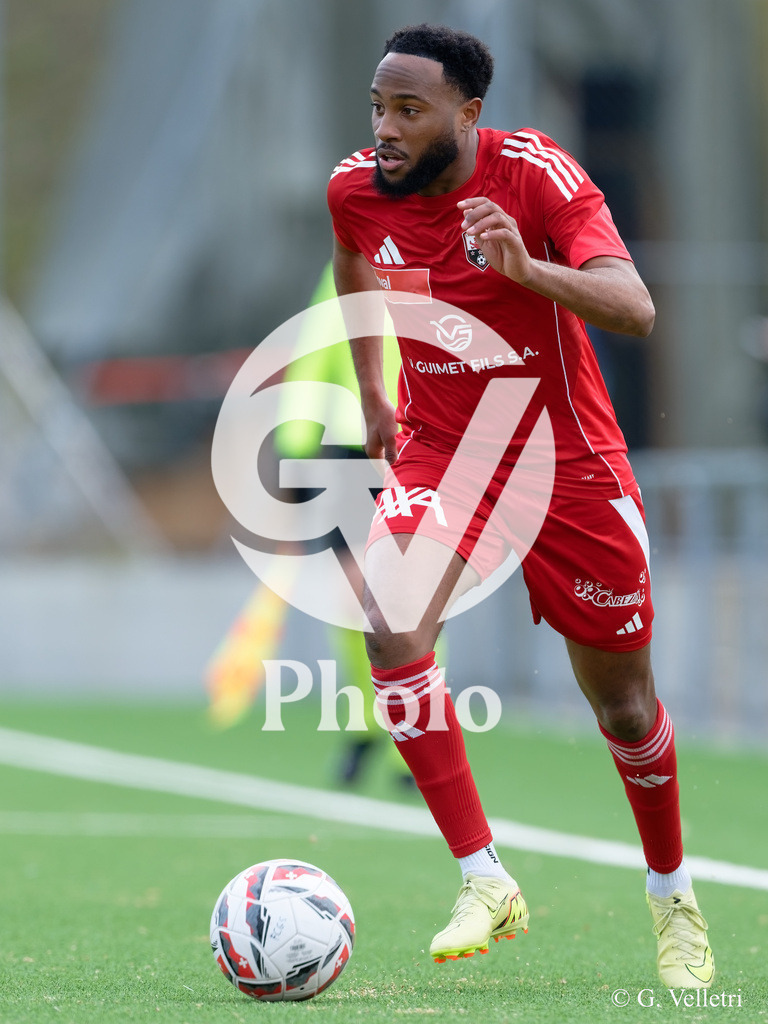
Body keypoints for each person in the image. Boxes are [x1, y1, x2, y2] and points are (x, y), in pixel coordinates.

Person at [326, 23, 714, 988]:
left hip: (565, 464)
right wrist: (374, 387)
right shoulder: (354, 188)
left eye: (409, 110)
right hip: (443, 453)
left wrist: (529, 271)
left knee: (625, 708)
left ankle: (673, 896)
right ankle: (483, 875)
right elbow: (353, 262)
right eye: (379, 106)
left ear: (469, 115)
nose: (386, 127)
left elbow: (636, 309)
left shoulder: (538, 176)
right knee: (390, 625)